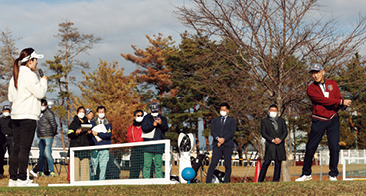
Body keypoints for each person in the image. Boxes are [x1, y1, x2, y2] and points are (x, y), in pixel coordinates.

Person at [295, 64, 352, 182]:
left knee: (334, 147)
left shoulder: (333, 83)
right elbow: (323, 101)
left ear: (323, 72)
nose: (315, 75)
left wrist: (342, 105)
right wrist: (341, 101)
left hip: (333, 119)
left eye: (318, 72)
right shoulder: (310, 88)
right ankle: (306, 174)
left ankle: (333, 174)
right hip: (319, 119)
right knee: (311, 147)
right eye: (313, 73)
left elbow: (337, 97)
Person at [7, 48, 47, 187]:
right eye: (35, 60)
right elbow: (40, 93)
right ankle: (22, 179)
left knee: (16, 148)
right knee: (24, 148)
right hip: (27, 116)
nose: (36, 63)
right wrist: (43, 81)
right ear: (30, 61)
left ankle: (13, 178)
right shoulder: (30, 75)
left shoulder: (15, 76)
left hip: (16, 116)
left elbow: (11, 97)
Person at [205, 103, 236, 183]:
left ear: (228, 111)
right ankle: (208, 181)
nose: (222, 111)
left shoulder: (232, 121)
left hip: (228, 145)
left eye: (224, 110)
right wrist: (218, 139)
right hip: (217, 145)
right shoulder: (215, 120)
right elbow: (213, 131)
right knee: (213, 163)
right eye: (221, 110)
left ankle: (226, 181)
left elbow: (232, 132)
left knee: (227, 164)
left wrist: (224, 139)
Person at [258, 104, 288, 182]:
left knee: (278, 163)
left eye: (275, 110)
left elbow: (285, 131)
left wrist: (280, 139)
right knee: (266, 162)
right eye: (272, 110)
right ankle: (260, 180)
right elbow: (263, 133)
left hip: (279, 145)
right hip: (270, 145)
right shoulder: (265, 121)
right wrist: (272, 140)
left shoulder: (281, 120)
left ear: (277, 111)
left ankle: (276, 180)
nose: (273, 112)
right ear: (268, 111)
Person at [141, 103, 168, 178]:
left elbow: (166, 129)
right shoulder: (146, 118)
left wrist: (161, 123)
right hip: (147, 146)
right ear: (150, 110)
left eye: (156, 111)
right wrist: (152, 125)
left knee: (158, 165)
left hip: (159, 146)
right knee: (147, 165)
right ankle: (146, 180)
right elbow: (144, 128)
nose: (154, 113)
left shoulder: (163, 118)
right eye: (153, 111)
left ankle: (159, 180)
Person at [67, 106, 92, 181]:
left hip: (85, 149)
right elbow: (69, 134)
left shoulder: (87, 123)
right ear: (77, 113)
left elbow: (90, 137)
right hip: (75, 149)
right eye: (80, 112)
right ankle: (75, 182)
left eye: (83, 112)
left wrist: (89, 133)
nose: (81, 113)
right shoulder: (73, 124)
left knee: (85, 168)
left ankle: (85, 183)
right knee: (75, 168)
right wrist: (76, 132)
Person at [36, 99, 58, 177]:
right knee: (41, 154)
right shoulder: (38, 113)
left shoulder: (49, 113)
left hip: (48, 136)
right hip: (40, 136)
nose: (42, 107)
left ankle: (51, 171)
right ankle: (41, 171)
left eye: (43, 105)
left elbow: (54, 125)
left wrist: (53, 133)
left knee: (48, 154)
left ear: (46, 105)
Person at [90, 106, 112, 180]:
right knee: (93, 166)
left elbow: (108, 135)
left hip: (105, 148)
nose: (101, 113)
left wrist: (98, 134)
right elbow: (91, 134)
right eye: (100, 112)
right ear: (97, 113)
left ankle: (101, 181)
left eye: (103, 112)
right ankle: (92, 180)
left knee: (103, 166)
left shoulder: (108, 124)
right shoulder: (92, 123)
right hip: (95, 147)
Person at [126, 109, 144, 179]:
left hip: (144, 149)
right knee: (134, 167)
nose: (140, 117)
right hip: (135, 149)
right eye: (138, 115)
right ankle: (133, 181)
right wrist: (135, 144)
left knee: (146, 166)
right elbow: (129, 137)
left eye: (141, 116)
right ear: (134, 117)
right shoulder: (131, 127)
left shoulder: (145, 126)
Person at [0, 105, 13, 178]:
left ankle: (12, 172)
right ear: (2, 111)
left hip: (11, 138)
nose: (6, 112)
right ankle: (0, 172)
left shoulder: (12, 120)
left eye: (8, 111)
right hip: (2, 138)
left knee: (12, 156)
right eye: (5, 111)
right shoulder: (0, 120)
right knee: (1, 156)